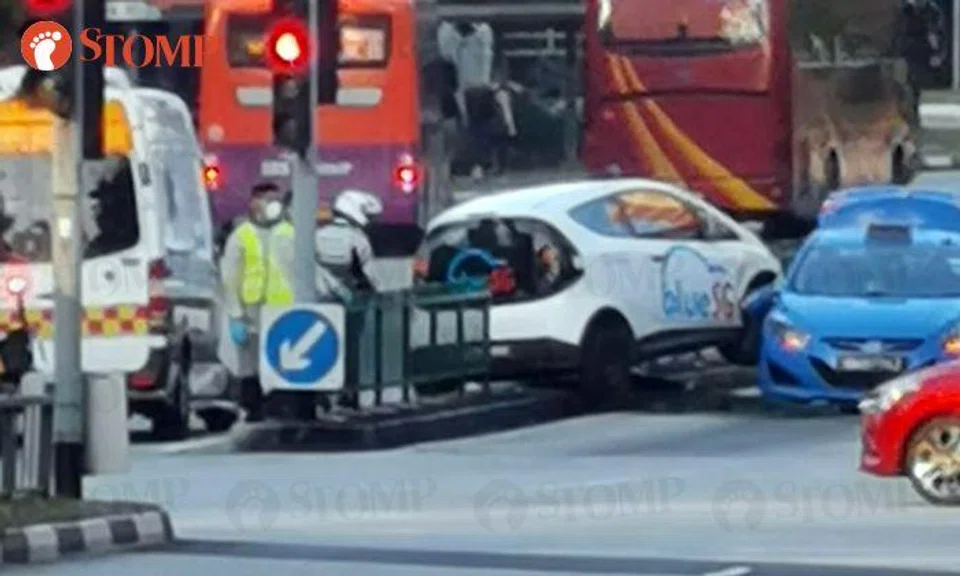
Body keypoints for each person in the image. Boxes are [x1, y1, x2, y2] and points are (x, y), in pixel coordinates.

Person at [216, 182, 295, 422]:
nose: (269, 204)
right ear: (252, 203)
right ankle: (254, 408)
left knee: (283, 362)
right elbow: (230, 277)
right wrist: (235, 314)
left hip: (284, 311)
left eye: (273, 199)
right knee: (249, 366)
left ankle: (280, 405)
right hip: (252, 312)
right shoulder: (241, 236)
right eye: (263, 199)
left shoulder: (291, 233)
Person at [314, 190, 383, 410]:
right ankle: (348, 394)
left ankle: (319, 393)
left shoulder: (318, 234)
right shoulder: (358, 239)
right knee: (349, 351)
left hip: (321, 301)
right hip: (351, 305)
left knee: (321, 348)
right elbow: (369, 276)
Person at [899, 0, 946, 118]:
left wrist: (937, 52)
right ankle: (909, 109)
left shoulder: (931, 10)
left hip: (919, 48)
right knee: (908, 81)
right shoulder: (905, 9)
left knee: (914, 81)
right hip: (907, 48)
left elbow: (935, 32)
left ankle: (912, 109)